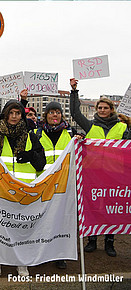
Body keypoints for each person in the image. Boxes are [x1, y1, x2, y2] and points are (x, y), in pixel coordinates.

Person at [70, 78, 129, 257]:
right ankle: (92, 239)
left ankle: (110, 242)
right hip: (93, 174)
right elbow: (75, 113)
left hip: (114, 175)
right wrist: (74, 91)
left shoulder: (123, 127)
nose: (102, 110)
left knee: (110, 208)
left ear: (111, 110)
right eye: (100, 108)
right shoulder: (90, 126)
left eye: (105, 108)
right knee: (94, 206)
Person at [0, 99, 46, 277]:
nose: (14, 117)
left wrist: (30, 156)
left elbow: (41, 164)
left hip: (24, 192)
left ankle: (21, 263)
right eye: (11, 113)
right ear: (5, 114)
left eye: (18, 113)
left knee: (22, 229)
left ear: (21, 115)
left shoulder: (31, 136)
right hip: (0, 191)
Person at [35, 101, 78, 269]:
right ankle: (43, 252)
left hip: (64, 185)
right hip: (43, 183)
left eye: (57, 112)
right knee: (43, 220)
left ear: (61, 115)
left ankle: (60, 255)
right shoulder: (36, 133)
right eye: (51, 112)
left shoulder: (71, 133)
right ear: (46, 115)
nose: (55, 115)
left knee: (61, 220)